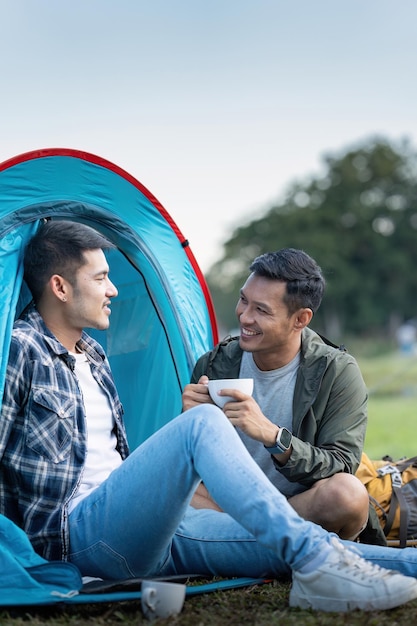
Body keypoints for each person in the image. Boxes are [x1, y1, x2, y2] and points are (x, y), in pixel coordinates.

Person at [1, 221, 417, 614]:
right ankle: (316, 565)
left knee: (295, 547)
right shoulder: (21, 350)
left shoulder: (94, 355)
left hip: (145, 530)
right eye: (100, 278)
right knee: (204, 423)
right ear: (59, 286)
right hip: (77, 538)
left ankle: (355, 563)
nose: (112, 290)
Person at [183, 248, 372, 541]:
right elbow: (189, 464)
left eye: (261, 310)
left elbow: (342, 462)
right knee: (163, 483)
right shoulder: (213, 365)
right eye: (243, 300)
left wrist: (274, 437)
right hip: (228, 504)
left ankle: (241, 537)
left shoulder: (335, 371)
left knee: (347, 494)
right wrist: (189, 422)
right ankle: (264, 538)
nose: (244, 317)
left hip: (298, 506)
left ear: (300, 319)